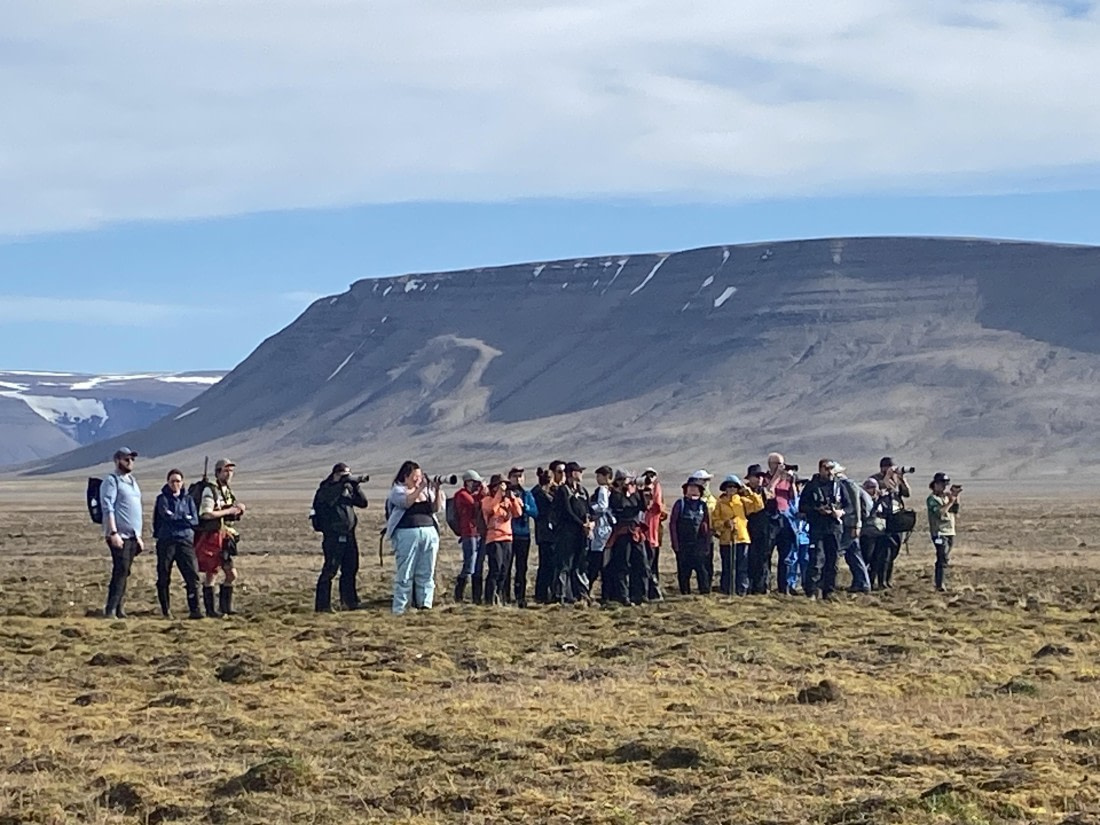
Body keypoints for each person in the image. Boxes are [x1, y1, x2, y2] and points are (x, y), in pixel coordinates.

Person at [385, 461, 445, 614]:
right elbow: (406, 502)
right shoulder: (397, 490)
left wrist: (436, 489)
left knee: (427, 570)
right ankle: (400, 607)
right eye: (415, 477)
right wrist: (421, 488)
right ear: (405, 477)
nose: (418, 479)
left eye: (420, 476)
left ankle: (425, 604)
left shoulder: (427, 492)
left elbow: (436, 508)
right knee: (405, 572)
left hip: (429, 532)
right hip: (406, 533)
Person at [312, 462, 369, 613]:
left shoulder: (348, 489)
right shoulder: (325, 489)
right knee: (330, 569)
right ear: (336, 475)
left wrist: (355, 486)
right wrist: (341, 484)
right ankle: (322, 606)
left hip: (349, 535)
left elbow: (363, 503)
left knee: (350, 568)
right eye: (344, 475)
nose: (347, 478)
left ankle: (349, 601)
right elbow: (328, 501)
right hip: (333, 536)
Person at [195, 458, 246, 617]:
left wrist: (237, 511)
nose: (229, 473)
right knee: (212, 572)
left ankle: (225, 608)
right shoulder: (211, 491)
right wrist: (229, 511)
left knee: (230, 574)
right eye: (226, 470)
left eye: (231, 470)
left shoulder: (226, 490)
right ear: (218, 472)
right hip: (211, 537)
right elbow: (206, 513)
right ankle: (211, 610)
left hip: (224, 537)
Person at [798, 459, 852, 600]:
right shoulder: (812, 486)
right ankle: (812, 591)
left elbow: (848, 506)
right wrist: (817, 510)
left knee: (832, 561)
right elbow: (802, 506)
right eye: (826, 468)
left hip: (834, 527)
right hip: (817, 527)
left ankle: (829, 591)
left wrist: (840, 513)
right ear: (820, 469)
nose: (829, 471)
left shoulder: (838, 486)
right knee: (816, 559)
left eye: (831, 468)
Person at [100, 447, 144, 619]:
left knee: (125, 571)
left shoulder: (132, 481)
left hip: (132, 536)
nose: (130, 462)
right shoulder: (112, 481)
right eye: (127, 459)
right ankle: (110, 609)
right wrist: (113, 532)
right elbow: (108, 507)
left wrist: (138, 535)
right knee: (120, 569)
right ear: (117, 460)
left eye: (132, 459)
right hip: (119, 535)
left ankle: (119, 608)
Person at [152, 468, 201, 619]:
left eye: (178, 481)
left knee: (192, 576)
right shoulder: (162, 499)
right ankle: (166, 610)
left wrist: (179, 518)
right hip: (167, 541)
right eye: (172, 481)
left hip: (185, 541)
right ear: (167, 482)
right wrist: (183, 518)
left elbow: (194, 520)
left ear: (183, 482)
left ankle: (195, 610)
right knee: (164, 575)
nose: (175, 484)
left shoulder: (188, 499)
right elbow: (167, 516)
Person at [604, 469, 651, 606]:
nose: (630, 482)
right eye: (627, 479)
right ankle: (622, 596)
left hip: (635, 532)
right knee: (623, 565)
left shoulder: (634, 494)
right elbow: (621, 506)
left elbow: (643, 507)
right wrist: (625, 491)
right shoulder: (615, 495)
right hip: (622, 533)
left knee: (642, 564)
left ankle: (641, 595)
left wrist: (641, 491)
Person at [713, 474, 763, 596]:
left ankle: (741, 590)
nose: (731, 489)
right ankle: (727, 589)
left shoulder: (742, 501)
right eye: (729, 487)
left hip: (742, 537)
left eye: (734, 487)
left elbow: (759, 506)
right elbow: (714, 521)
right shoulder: (720, 503)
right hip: (726, 539)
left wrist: (750, 493)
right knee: (728, 566)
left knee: (742, 566)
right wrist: (725, 523)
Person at [479, 474, 525, 606]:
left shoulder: (507, 500)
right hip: (493, 538)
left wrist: (513, 499)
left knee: (505, 569)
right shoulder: (487, 500)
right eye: (501, 485)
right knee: (496, 568)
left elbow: (518, 513)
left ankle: (499, 596)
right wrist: (499, 494)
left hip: (507, 538)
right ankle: (489, 599)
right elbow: (492, 509)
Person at [551, 461, 592, 604]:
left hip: (581, 534)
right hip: (566, 534)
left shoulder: (583, 491)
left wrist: (590, 523)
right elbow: (567, 512)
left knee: (579, 564)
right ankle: (560, 595)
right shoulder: (563, 491)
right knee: (564, 565)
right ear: (573, 474)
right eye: (579, 471)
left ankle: (579, 594)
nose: (581, 474)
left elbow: (589, 510)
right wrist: (582, 525)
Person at [872, 457, 913, 587]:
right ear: (882, 467)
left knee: (893, 551)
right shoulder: (875, 479)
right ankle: (880, 580)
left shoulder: (896, 480)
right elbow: (878, 491)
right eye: (889, 467)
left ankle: (888, 579)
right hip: (883, 519)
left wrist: (902, 479)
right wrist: (888, 477)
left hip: (896, 519)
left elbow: (907, 494)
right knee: (883, 552)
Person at [669, 478, 713, 595]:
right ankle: (685, 593)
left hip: (699, 545)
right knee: (684, 572)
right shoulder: (680, 504)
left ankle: (704, 593)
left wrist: (707, 544)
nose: (693, 489)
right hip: (684, 545)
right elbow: (673, 524)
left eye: (696, 487)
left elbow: (708, 525)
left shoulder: (703, 505)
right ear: (686, 489)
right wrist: (675, 544)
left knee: (702, 571)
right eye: (690, 487)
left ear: (700, 491)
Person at [503, 467, 538, 607]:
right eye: (515, 476)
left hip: (523, 534)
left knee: (521, 567)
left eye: (520, 476)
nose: (517, 478)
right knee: (506, 566)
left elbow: (535, 512)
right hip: (508, 534)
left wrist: (525, 508)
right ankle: (504, 595)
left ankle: (520, 596)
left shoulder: (526, 494)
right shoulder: (505, 494)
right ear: (509, 478)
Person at [764, 453, 799, 594]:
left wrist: (792, 482)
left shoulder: (787, 480)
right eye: (777, 463)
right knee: (766, 554)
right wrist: (777, 476)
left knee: (786, 555)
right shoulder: (764, 479)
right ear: (770, 464)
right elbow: (768, 492)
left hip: (786, 518)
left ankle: (784, 587)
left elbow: (794, 498)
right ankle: (765, 585)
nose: (781, 466)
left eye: (782, 464)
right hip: (771, 519)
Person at [452, 470, 485, 603]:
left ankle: (476, 597)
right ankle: (459, 594)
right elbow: (475, 505)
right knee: (470, 564)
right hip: (469, 533)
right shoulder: (461, 495)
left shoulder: (469, 495)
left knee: (478, 565)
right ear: (468, 482)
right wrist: (483, 493)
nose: (477, 486)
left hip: (478, 532)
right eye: (475, 483)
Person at [927, 472, 961, 592]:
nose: (944, 487)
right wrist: (950, 501)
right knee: (942, 556)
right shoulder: (932, 499)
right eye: (942, 484)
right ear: (935, 484)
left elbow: (955, 511)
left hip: (950, 532)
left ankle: (941, 582)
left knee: (944, 558)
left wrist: (955, 498)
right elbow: (940, 513)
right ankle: (939, 584)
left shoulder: (946, 497)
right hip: (939, 533)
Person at [838, 470, 872, 593]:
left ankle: (863, 583)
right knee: (854, 555)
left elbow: (854, 506)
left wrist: (856, 524)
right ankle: (862, 583)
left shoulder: (846, 485)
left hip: (848, 525)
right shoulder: (852, 485)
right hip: (852, 525)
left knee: (838, 552)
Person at [744, 464, 776, 594]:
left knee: (764, 559)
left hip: (764, 530)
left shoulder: (765, 492)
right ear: (749, 478)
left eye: (761, 477)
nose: (759, 479)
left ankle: (763, 586)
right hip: (749, 529)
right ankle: (750, 585)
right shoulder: (744, 492)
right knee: (750, 558)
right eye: (756, 476)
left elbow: (772, 509)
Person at [587, 466, 615, 598]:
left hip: (602, 530)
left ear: (605, 476)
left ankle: (588, 589)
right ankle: (607, 593)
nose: (597, 479)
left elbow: (602, 506)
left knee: (595, 563)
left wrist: (590, 508)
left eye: (599, 476)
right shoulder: (612, 490)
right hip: (607, 530)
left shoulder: (603, 490)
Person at [861, 478, 893, 590]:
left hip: (881, 533)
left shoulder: (882, 501)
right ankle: (863, 581)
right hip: (868, 533)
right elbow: (867, 514)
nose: (873, 490)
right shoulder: (863, 500)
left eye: (875, 488)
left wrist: (884, 499)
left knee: (877, 560)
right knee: (867, 558)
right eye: (870, 488)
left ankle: (873, 582)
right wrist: (877, 501)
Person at [687, 469, 717, 586]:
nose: (706, 483)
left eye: (707, 480)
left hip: (707, 536)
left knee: (707, 563)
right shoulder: (690, 499)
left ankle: (706, 586)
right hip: (693, 536)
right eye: (704, 480)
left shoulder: (712, 499)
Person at [532, 467, 558, 604]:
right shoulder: (539, 493)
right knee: (547, 565)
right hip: (545, 533)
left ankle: (546, 593)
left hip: (547, 533)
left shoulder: (542, 492)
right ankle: (542, 594)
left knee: (548, 565)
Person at [640, 468, 665, 599]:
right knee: (645, 566)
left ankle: (653, 591)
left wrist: (654, 488)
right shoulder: (641, 496)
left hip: (652, 537)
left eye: (651, 476)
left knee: (651, 566)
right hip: (643, 537)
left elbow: (658, 506)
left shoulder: (655, 504)